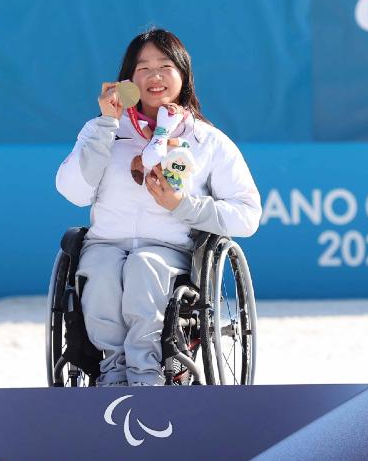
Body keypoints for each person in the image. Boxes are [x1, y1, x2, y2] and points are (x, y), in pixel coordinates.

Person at [56, 28, 261, 386]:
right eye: (143, 68)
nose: (155, 76)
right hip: (105, 243)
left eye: (165, 66)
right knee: (100, 272)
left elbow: (247, 214)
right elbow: (73, 191)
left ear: (183, 74)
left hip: (169, 251)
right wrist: (106, 125)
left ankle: (145, 372)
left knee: (143, 266)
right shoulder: (102, 129)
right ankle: (112, 372)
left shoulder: (207, 140)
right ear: (128, 80)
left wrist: (182, 206)